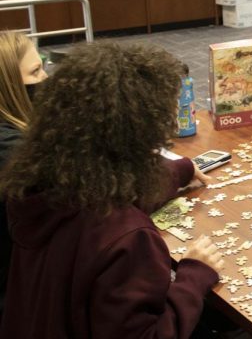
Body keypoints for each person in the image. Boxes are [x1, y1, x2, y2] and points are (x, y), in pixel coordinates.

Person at [0, 41, 224, 337]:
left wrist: (176, 172)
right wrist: (194, 275)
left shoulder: (42, 188)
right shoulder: (128, 238)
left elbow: (109, 192)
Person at [0, 32, 48, 318]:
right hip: (18, 302)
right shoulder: (12, 151)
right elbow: (92, 192)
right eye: (35, 71)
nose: (45, 78)